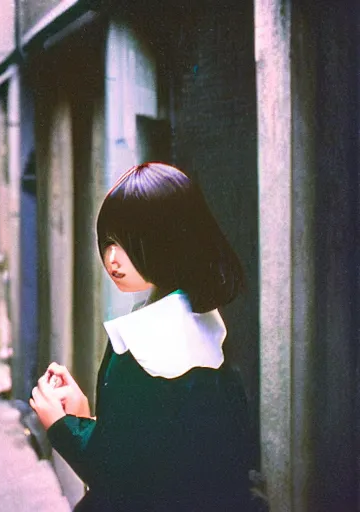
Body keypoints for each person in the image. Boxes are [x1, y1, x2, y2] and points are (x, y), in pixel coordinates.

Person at [30, 162, 255, 511]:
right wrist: (84, 418)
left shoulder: (140, 346)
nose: (112, 259)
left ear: (169, 242)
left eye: (129, 242)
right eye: (108, 242)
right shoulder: (210, 330)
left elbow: (116, 474)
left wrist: (61, 425)